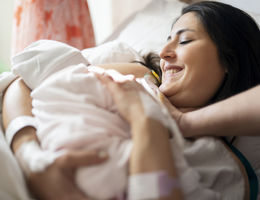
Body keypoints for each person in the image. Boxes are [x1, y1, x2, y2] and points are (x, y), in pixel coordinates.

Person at [2, 1, 260, 200]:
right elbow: (22, 81)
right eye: (167, 40)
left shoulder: (222, 164)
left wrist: (146, 121)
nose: (164, 53)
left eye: (184, 40)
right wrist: (28, 153)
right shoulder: (145, 76)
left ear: (231, 60)